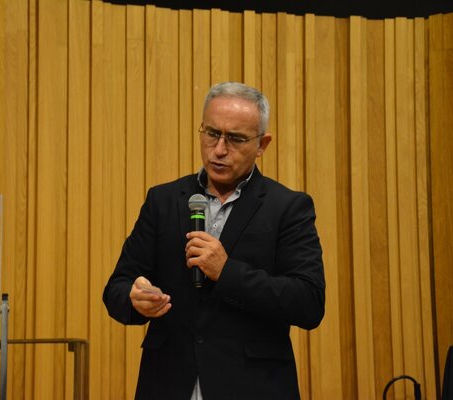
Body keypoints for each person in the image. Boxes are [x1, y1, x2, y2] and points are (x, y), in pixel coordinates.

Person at [103, 82, 325, 400]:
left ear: (262, 144)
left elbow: (308, 302)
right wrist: (134, 299)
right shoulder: (163, 200)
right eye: (211, 134)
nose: (219, 150)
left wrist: (227, 271)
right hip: (167, 384)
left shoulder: (287, 207)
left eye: (235, 138)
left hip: (251, 388)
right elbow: (117, 287)